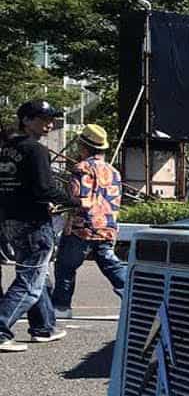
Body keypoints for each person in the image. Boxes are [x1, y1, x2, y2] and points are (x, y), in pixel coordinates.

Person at [0, 100, 76, 352]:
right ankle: (1, 329)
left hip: (11, 219)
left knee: (38, 274)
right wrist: (75, 202)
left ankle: (44, 326)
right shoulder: (36, 150)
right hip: (34, 220)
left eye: (51, 119)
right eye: (43, 119)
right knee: (30, 281)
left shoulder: (6, 148)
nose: (49, 125)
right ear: (26, 120)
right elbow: (45, 188)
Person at [52, 124, 126, 316]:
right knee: (111, 265)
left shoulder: (81, 168)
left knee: (65, 266)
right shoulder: (114, 171)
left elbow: (81, 200)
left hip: (82, 227)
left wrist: (60, 205)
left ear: (83, 146)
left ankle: (61, 306)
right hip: (107, 225)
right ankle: (133, 297)